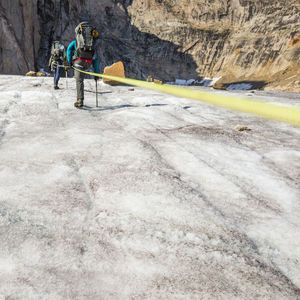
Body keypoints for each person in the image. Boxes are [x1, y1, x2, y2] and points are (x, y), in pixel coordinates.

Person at [67, 22, 100, 108]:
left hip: (78, 62)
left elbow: (69, 50)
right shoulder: (92, 45)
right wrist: (96, 74)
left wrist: (69, 61)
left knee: (79, 81)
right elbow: (95, 59)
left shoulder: (76, 42)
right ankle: (80, 99)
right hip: (88, 64)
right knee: (81, 80)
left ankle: (79, 100)